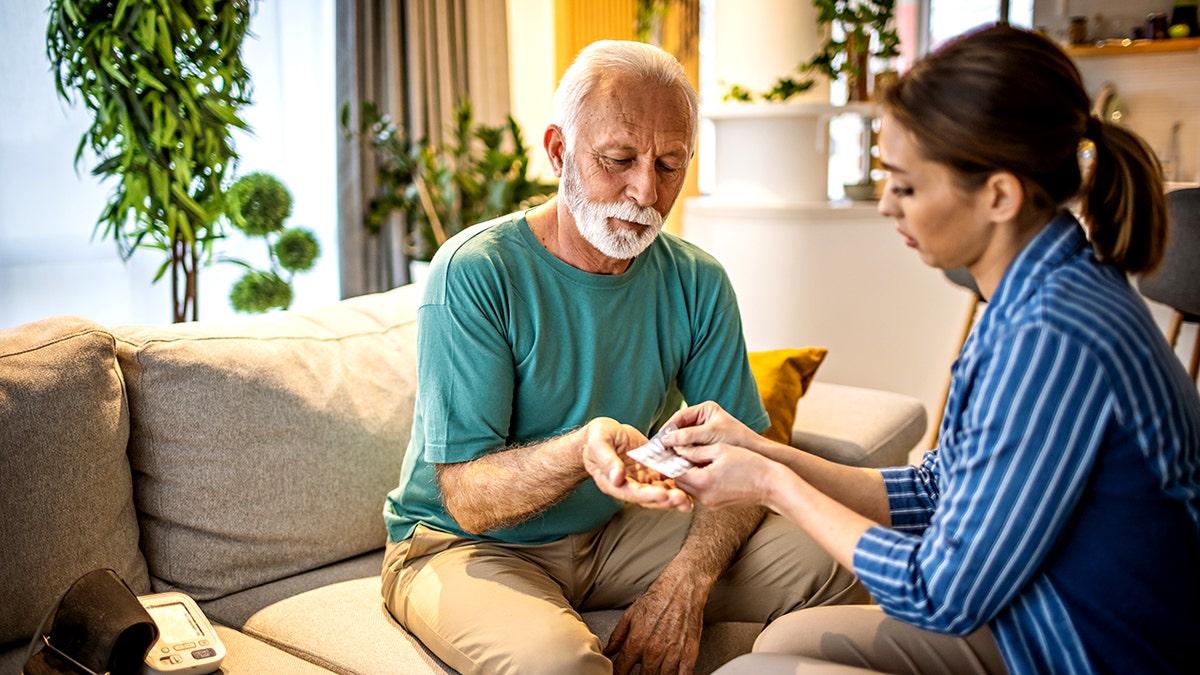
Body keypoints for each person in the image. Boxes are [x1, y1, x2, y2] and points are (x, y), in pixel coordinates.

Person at [648, 24, 1200, 675]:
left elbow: (939, 591)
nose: (885, 205)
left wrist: (772, 484)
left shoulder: (1054, 335)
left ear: (999, 194)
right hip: (1040, 614)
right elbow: (941, 488)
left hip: (1092, 649)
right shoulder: (1035, 291)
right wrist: (763, 448)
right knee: (778, 644)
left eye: (906, 186)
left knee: (752, 672)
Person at [380, 39, 867, 675]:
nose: (645, 191)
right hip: (465, 543)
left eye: (670, 166)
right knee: (561, 668)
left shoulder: (698, 280)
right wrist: (582, 449)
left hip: (618, 529)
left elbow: (744, 456)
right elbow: (468, 497)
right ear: (558, 151)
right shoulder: (477, 271)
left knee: (834, 556)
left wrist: (687, 582)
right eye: (619, 159)